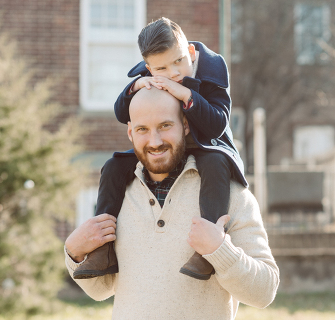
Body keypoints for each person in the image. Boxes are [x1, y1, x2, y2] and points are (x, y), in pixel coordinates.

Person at [64, 88, 279, 319]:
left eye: (165, 126)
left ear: (185, 125)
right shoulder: (118, 195)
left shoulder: (229, 193)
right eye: (142, 129)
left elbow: (264, 292)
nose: (154, 141)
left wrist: (220, 251)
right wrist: (73, 252)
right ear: (130, 132)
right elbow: (101, 289)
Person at [73, 17, 247, 281]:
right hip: (164, 145)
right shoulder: (148, 76)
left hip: (206, 144)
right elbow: (122, 113)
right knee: (113, 166)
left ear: (189, 51)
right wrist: (135, 87)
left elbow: (217, 125)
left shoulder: (212, 70)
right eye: (162, 68)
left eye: (179, 61)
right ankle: (104, 247)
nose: (174, 71)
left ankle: (207, 249)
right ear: (149, 68)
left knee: (215, 164)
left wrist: (185, 94)